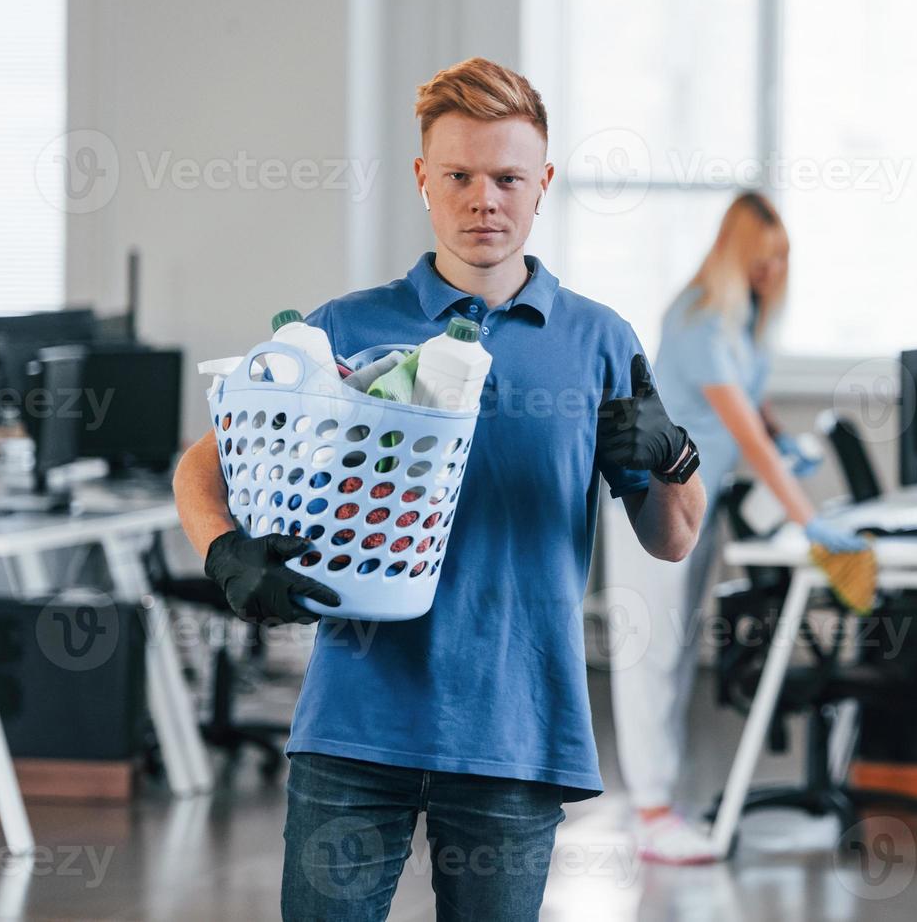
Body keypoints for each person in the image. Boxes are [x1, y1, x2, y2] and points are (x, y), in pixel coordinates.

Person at [172, 57, 707, 921]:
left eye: (507, 178)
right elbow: (204, 462)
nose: (483, 199)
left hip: (515, 728)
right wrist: (224, 551)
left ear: (543, 186)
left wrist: (673, 457)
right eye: (458, 175)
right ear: (424, 179)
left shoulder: (598, 342)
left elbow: (673, 538)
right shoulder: (346, 327)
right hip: (356, 719)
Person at [607, 191, 866, 864]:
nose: (773, 271)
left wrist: (789, 441)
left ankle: (663, 800)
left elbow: (754, 407)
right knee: (651, 653)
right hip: (648, 500)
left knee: (679, 649)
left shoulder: (741, 320)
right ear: (735, 253)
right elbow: (744, 432)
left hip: (694, 501)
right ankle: (650, 808)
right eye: (763, 259)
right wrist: (809, 516)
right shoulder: (698, 320)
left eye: (781, 260)